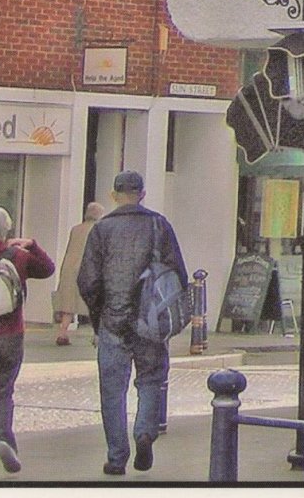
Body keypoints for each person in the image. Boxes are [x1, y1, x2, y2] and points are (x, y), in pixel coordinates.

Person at [77, 170, 188, 476]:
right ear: (142, 193)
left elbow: (88, 281)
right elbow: (178, 273)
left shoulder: (102, 230)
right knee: (151, 380)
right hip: (149, 320)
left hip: (113, 319)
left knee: (112, 391)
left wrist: (99, 316)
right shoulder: (159, 225)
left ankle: (116, 457)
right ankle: (144, 432)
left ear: (114, 195)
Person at [0, 204, 55, 477]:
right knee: (3, 392)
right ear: (6, 228)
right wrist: (32, 245)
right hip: (11, 335)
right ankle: (5, 440)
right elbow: (47, 269)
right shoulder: (18, 257)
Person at [53, 202, 105, 345]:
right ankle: (97, 335)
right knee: (94, 302)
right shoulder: (99, 230)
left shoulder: (75, 229)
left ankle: (63, 332)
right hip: (88, 269)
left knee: (68, 303)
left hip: (70, 267)